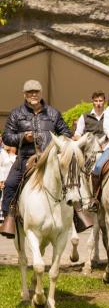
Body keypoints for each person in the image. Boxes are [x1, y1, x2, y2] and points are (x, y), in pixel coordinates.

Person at [0, 80, 72, 237]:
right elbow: (6, 137)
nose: (33, 94)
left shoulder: (53, 113)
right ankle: (9, 220)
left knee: (72, 180)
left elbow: (67, 133)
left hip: (50, 159)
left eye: (36, 92)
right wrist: (23, 137)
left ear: (40, 93)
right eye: (30, 92)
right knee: (11, 185)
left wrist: (56, 145)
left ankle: (78, 218)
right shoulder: (16, 113)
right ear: (24, 95)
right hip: (25, 159)